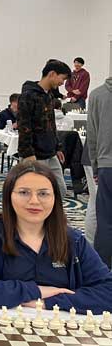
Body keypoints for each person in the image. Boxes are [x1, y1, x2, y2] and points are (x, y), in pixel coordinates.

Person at [0, 161, 112, 313]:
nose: (34, 201)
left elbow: (107, 291)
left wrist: (49, 302)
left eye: (43, 194)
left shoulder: (73, 240)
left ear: (54, 198)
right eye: (24, 192)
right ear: (8, 196)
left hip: (61, 330)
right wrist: (36, 291)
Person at [18, 59, 71, 198]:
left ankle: (51, 218)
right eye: (62, 78)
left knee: (60, 190)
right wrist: (28, 153)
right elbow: (24, 125)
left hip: (50, 152)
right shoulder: (28, 95)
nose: (62, 83)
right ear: (52, 74)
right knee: (34, 194)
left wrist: (57, 146)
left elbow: (51, 123)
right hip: (34, 154)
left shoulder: (49, 95)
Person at [88, 74, 112, 266]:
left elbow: (92, 135)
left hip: (106, 165)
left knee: (105, 220)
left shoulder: (96, 95)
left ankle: (102, 268)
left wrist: (96, 166)